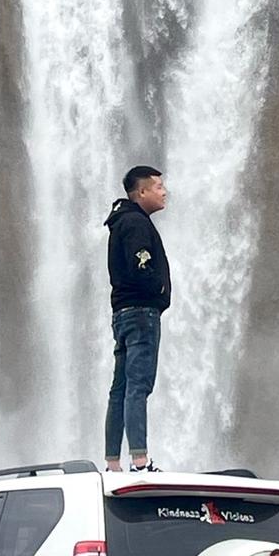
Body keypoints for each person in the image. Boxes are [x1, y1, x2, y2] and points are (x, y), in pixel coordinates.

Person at [103, 165, 170, 473]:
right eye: (158, 186)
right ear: (141, 192)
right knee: (138, 386)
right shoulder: (136, 224)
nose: (164, 191)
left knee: (121, 387)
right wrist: (157, 289)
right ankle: (140, 462)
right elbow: (140, 264)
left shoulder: (120, 222)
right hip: (142, 313)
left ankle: (113, 462)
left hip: (123, 314)